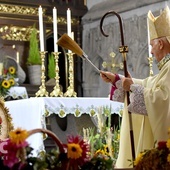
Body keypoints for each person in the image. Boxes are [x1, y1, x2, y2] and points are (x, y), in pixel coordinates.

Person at [100, 6, 170, 168]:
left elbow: (163, 101)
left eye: (152, 45)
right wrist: (118, 80)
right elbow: (148, 85)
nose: (151, 51)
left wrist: (133, 87)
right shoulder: (165, 70)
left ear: (160, 44)